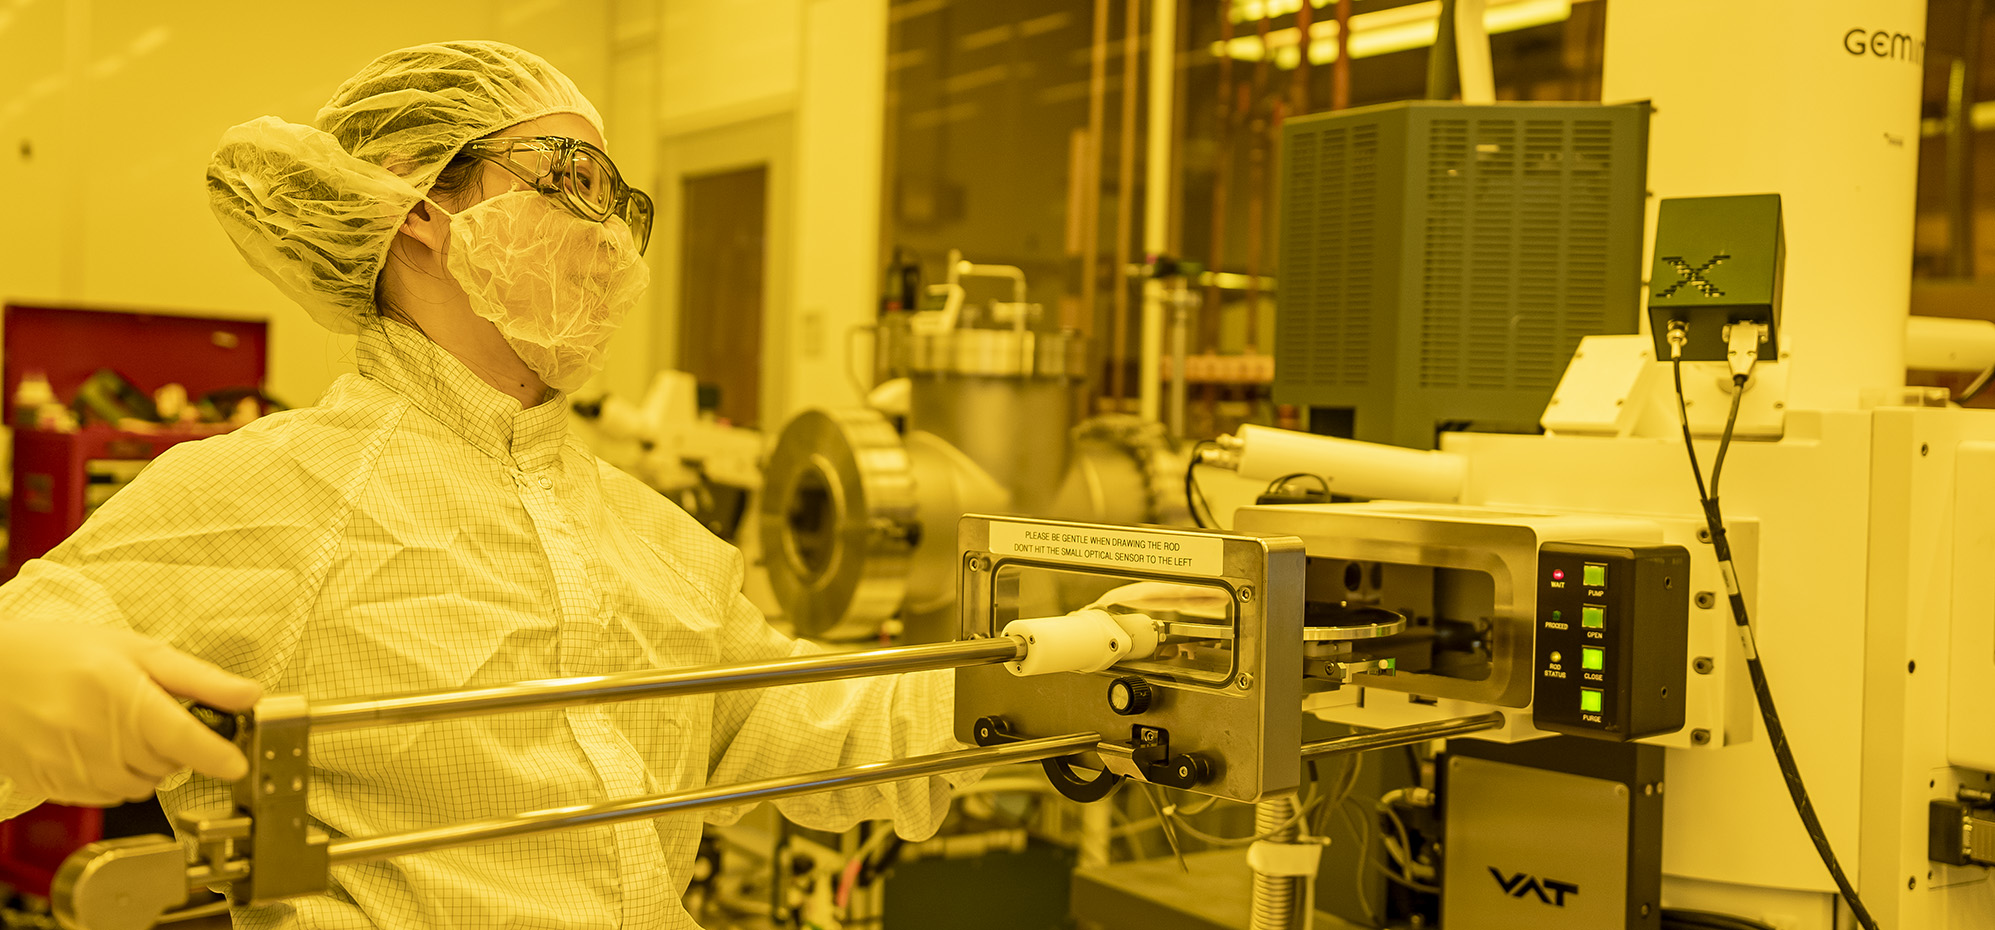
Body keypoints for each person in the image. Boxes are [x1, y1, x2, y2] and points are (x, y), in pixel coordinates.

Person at [0, 40, 961, 929]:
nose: (611, 240)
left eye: (620, 204)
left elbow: (778, 713)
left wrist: (1013, 684)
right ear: (417, 201)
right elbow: (34, 653)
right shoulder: (271, 494)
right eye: (572, 181)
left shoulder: (651, 534)